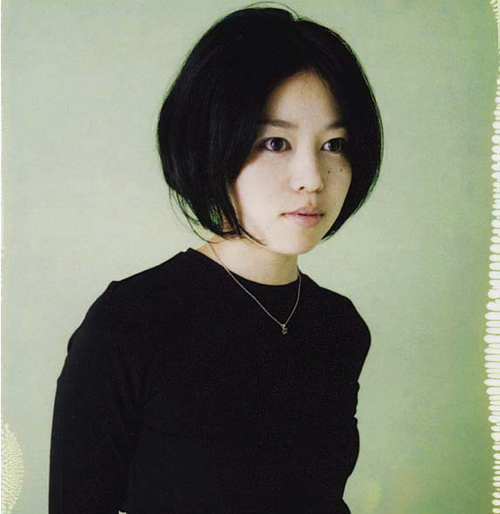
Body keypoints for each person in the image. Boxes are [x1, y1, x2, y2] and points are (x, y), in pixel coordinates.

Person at [49, 5, 383, 513]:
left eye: (334, 144)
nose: (312, 178)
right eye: (275, 143)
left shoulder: (339, 327)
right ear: (210, 144)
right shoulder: (131, 322)